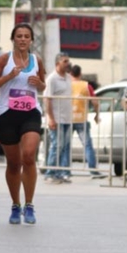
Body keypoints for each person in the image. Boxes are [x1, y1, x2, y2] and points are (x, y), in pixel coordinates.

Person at [0, 23, 46, 224]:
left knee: (28, 155)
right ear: (13, 39)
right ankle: (15, 204)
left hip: (30, 113)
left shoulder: (37, 60)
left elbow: (43, 85)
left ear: (31, 40)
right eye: (19, 36)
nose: (22, 39)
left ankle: (29, 205)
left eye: (26, 36)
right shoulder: (5, 59)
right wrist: (9, 76)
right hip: (7, 113)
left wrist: (40, 84)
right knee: (13, 163)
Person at [70, 65, 106, 178]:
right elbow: (95, 102)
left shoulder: (67, 85)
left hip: (67, 119)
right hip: (81, 119)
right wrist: (96, 115)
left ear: (70, 74)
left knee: (64, 146)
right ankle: (93, 170)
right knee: (87, 145)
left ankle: (63, 170)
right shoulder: (86, 85)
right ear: (80, 74)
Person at [43, 52, 73, 184]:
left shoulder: (68, 77)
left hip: (67, 118)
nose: (68, 64)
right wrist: (50, 118)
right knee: (56, 146)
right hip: (56, 118)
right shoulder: (52, 79)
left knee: (64, 146)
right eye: (65, 61)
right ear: (57, 64)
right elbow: (47, 99)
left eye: (68, 61)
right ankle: (50, 173)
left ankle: (60, 172)